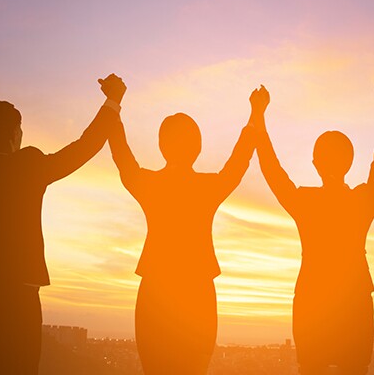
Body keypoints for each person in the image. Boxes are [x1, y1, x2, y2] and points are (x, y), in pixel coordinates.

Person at [0, 80, 123, 374]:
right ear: (12, 133)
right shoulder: (29, 166)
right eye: (19, 127)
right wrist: (112, 103)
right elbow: (84, 148)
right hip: (20, 296)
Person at [100, 74, 261, 374]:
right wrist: (256, 113)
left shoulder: (147, 183)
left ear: (161, 146)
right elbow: (239, 161)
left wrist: (113, 101)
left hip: (155, 292)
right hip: (198, 291)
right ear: (197, 147)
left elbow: (120, 152)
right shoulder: (207, 187)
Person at [250, 83, 374, 375]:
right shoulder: (362, 201)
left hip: (311, 301)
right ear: (350, 162)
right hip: (354, 301)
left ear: (315, 163)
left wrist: (258, 114)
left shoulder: (306, 201)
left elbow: (271, 168)